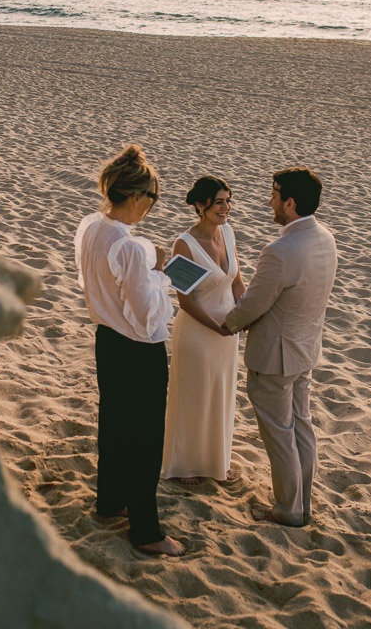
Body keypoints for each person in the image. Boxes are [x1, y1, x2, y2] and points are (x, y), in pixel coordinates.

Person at [74, 145, 185, 556]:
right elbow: (147, 318)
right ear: (137, 197)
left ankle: (108, 504)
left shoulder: (91, 227)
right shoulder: (132, 248)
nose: (150, 210)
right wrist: (159, 277)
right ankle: (146, 531)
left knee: (115, 424)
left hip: (107, 342)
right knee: (145, 439)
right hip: (139, 351)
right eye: (152, 201)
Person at [222, 167, 337, 527]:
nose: (269, 201)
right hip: (305, 350)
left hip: (274, 357)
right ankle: (302, 504)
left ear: (289, 203)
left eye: (273, 195)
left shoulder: (280, 250)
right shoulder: (326, 238)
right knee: (301, 426)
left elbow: (255, 303)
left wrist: (228, 324)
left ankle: (288, 509)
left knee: (280, 435)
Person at [161, 176, 245, 485]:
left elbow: (236, 281)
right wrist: (217, 327)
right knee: (194, 397)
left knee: (220, 397)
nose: (226, 208)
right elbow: (185, 299)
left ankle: (214, 463)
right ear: (201, 204)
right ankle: (185, 466)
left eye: (228, 200)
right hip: (198, 333)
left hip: (228, 333)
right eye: (220, 201)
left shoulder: (228, 233)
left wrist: (246, 314)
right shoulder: (185, 243)